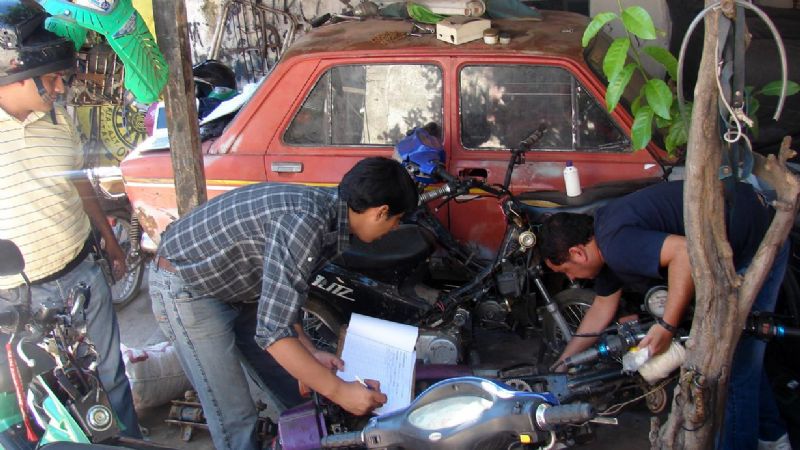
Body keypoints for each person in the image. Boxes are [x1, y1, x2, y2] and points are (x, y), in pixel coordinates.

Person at [149, 157, 418, 450]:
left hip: (242, 285)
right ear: (381, 212)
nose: (393, 229)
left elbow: (284, 298)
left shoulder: (333, 220)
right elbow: (274, 332)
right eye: (396, 220)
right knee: (235, 414)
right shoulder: (306, 222)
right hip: (189, 285)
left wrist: (310, 350)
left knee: (295, 387)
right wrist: (341, 392)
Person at [539, 180, 790, 450]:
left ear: (578, 252)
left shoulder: (616, 244)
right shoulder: (603, 236)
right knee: (745, 358)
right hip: (746, 220)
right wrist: (566, 361)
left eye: (566, 270)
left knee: (729, 368)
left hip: (757, 242)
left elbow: (684, 253)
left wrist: (666, 326)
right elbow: (602, 307)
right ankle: (773, 437)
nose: (570, 278)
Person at [0, 1, 140, 438]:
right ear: (15, 76)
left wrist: (111, 244)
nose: (62, 88)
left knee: (111, 377)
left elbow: (80, 184)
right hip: (14, 298)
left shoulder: (59, 119)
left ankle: (125, 441)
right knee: (36, 399)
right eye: (53, 79)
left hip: (81, 272)